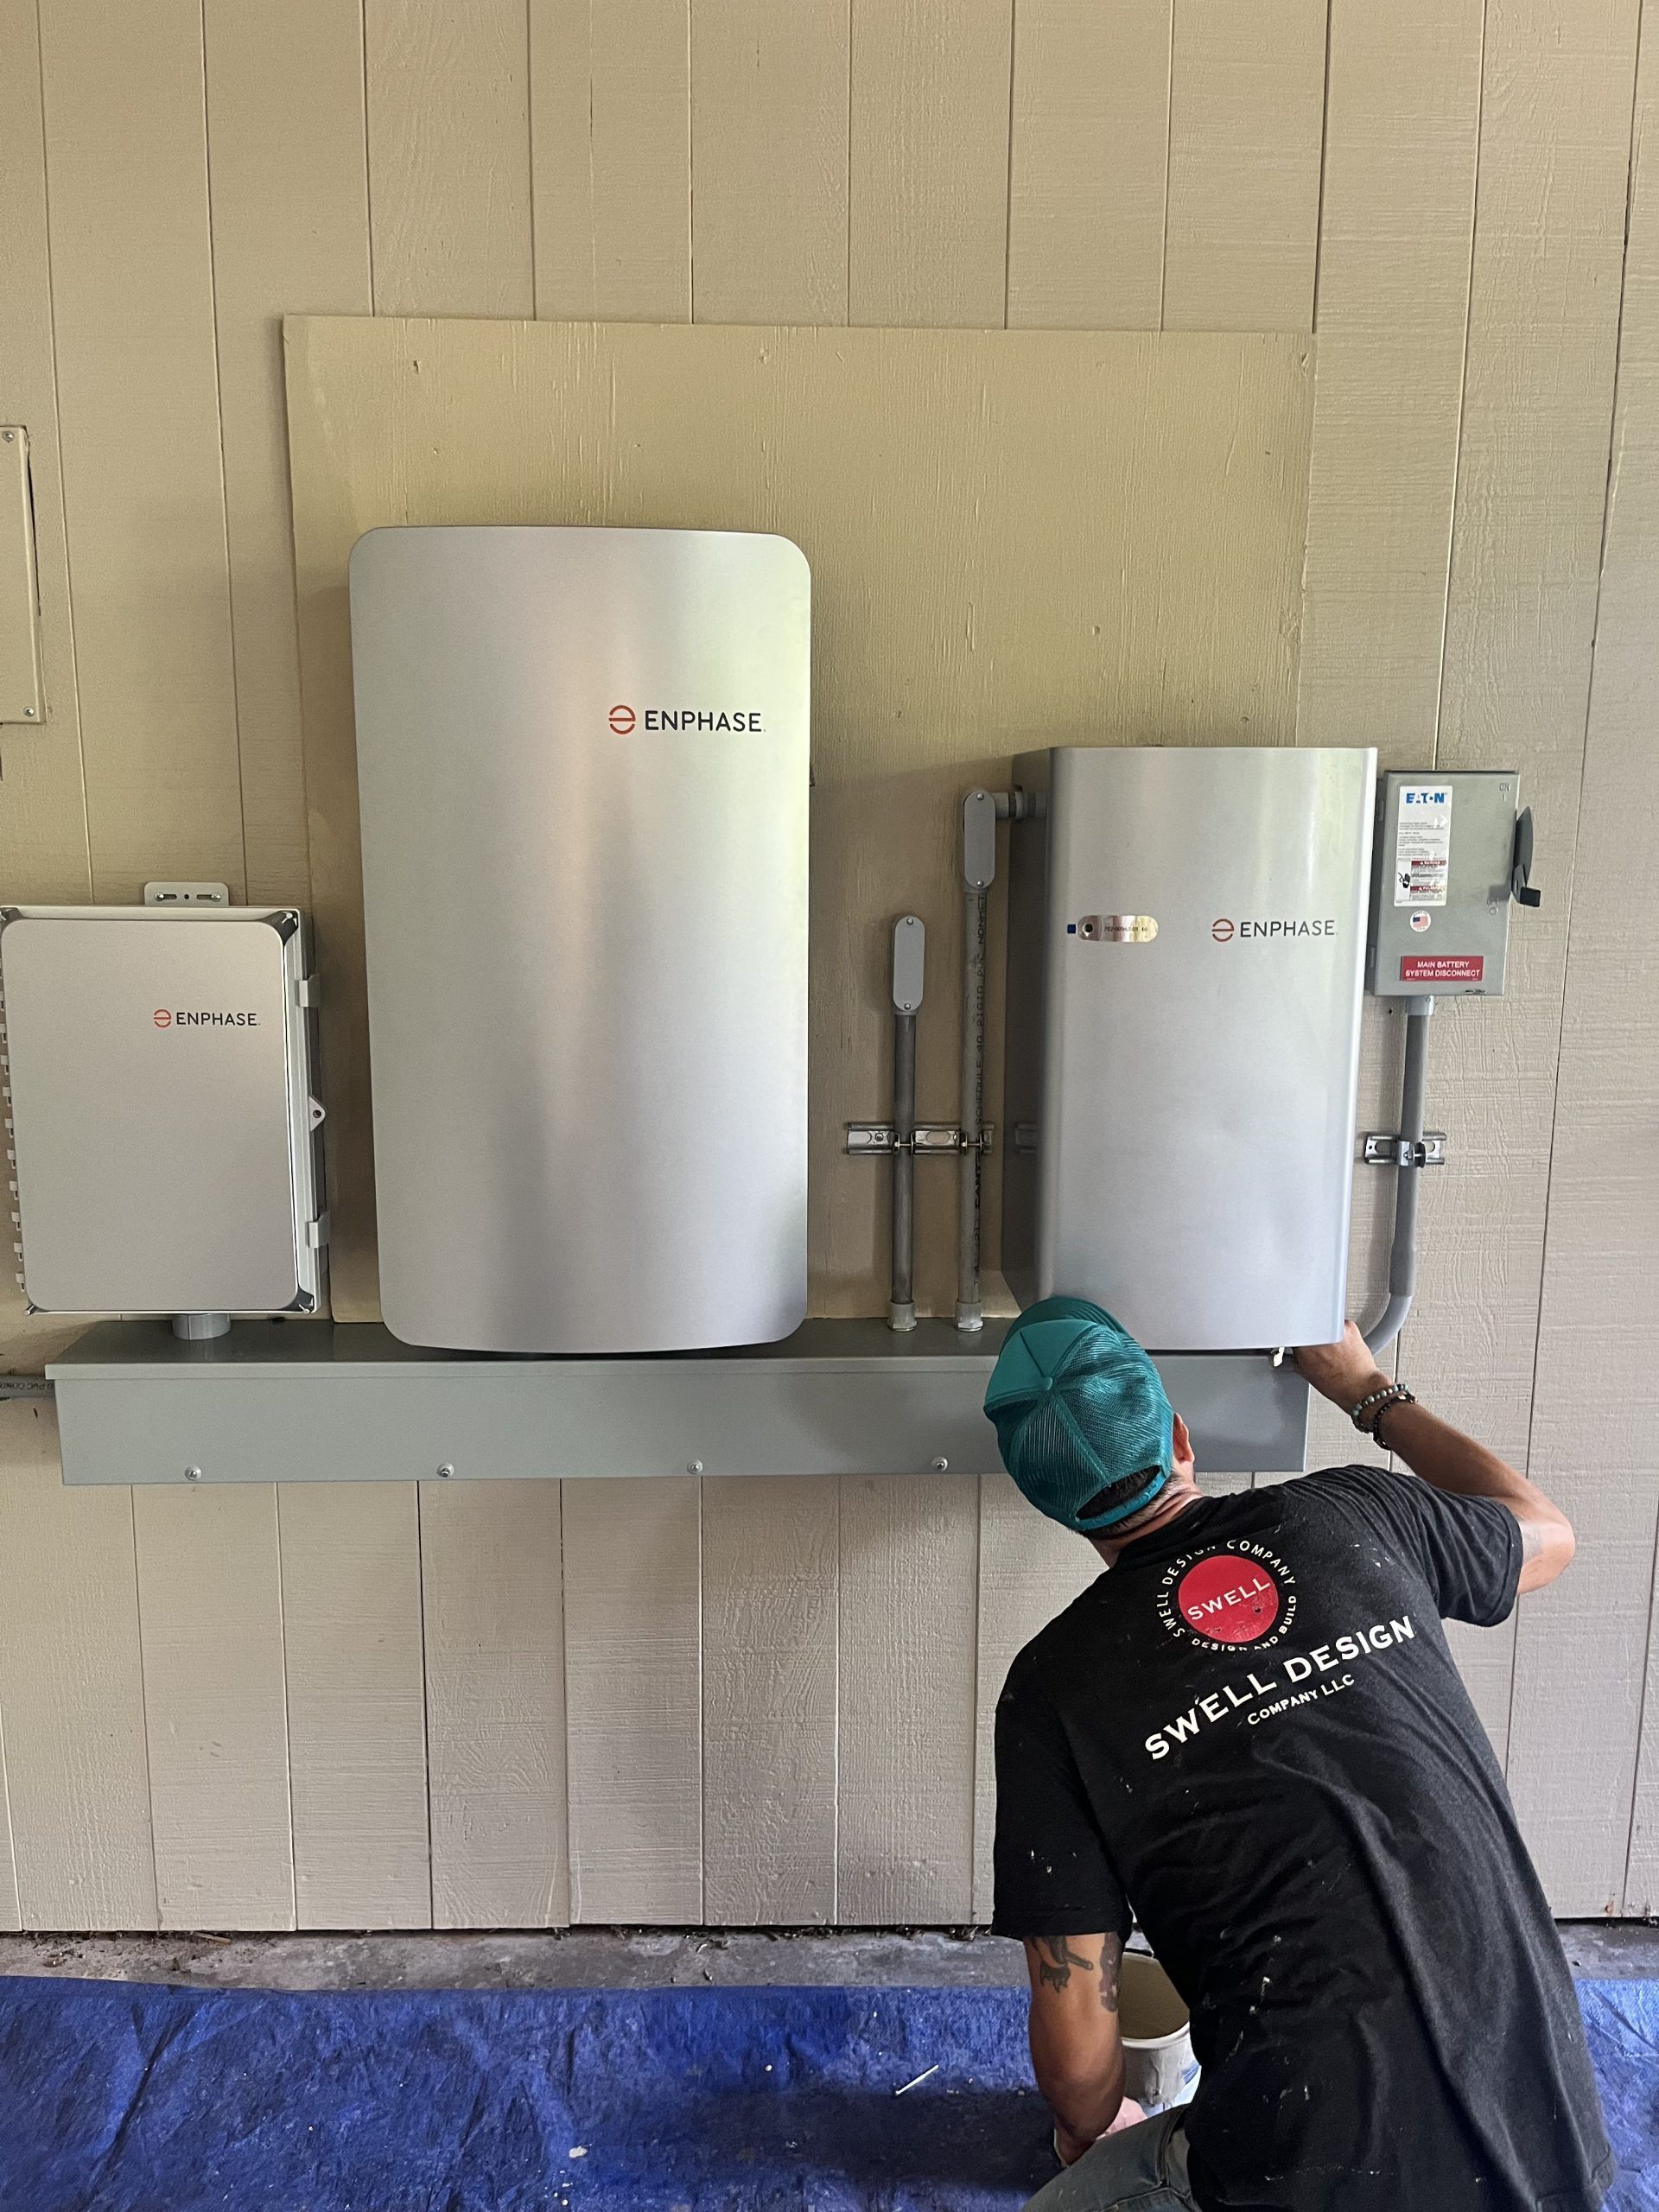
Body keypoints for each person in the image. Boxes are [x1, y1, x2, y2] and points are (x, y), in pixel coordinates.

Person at [986, 1294, 1611, 2212]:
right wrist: (1366, 1389)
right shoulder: (1356, 1512)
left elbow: (1081, 2070)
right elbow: (1545, 1534)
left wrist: (1090, 2133)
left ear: (1047, 1503)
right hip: (1547, 2141)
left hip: (1299, 2178)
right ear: (1181, 1439)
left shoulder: (1052, 1688)